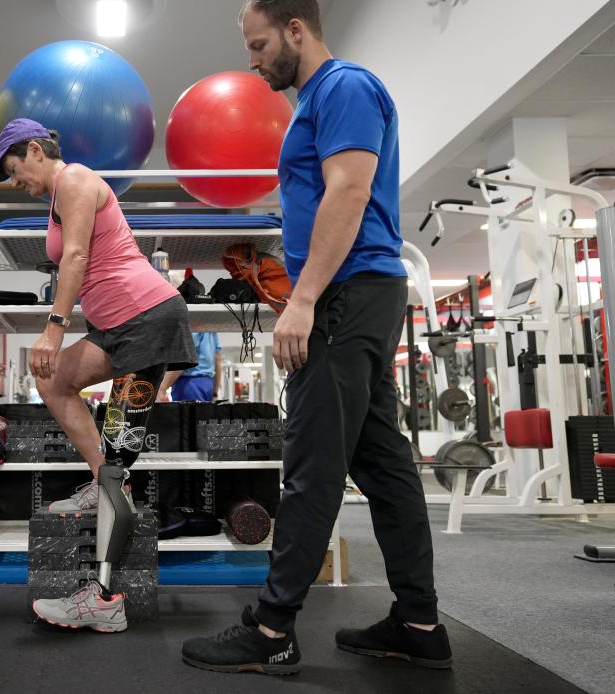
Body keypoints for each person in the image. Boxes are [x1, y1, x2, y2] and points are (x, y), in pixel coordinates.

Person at [181, 0, 452, 676]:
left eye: (260, 43)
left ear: (296, 30)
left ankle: (272, 628)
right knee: (382, 464)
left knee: (310, 466)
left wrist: (302, 301)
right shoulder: (320, 101)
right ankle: (418, 624)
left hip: (343, 295)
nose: (253, 59)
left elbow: (349, 192)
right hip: (352, 292)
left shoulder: (345, 87)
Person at [0, 118, 197, 633]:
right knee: (53, 382)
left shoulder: (76, 180)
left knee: (116, 463)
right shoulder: (57, 197)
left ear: (35, 150)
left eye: (16, 172)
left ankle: (104, 599)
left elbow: (77, 256)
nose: (18, 185)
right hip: (115, 328)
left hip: (145, 319)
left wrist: (53, 331)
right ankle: (104, 476)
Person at [158, 332, 222, 402]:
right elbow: (217, 359)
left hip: (189, 384)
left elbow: (184, 356)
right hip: (207, 384)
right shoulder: (211, 328)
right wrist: (215, 392)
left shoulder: (193, 325)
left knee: (189, 412)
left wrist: (162, 388)